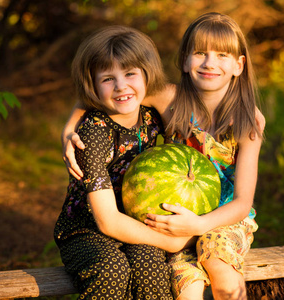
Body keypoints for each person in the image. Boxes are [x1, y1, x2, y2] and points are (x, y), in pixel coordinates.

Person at [62, 13, 265, 300]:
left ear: (238, 65)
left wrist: (200, 225)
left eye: (222, 54)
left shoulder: (247, 122)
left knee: (220, 270)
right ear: (184, 60)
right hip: (173, 217)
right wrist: (69, 130)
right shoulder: (168, 98)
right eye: (199, 53)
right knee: (187, 288)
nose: (210, 63)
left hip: (222, 220)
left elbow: (243, 202)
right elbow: (101, 92)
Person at [53, 25, 193, 300]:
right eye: (108, 79)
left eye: (130, 74)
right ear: (92, 85)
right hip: (87, 230)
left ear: (146, 75)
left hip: (136, 221)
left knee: (151, 265)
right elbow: (106, 223)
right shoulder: (92, 134)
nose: (121, 86)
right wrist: (171, 240)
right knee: (111, 270)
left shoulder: (151, 114)